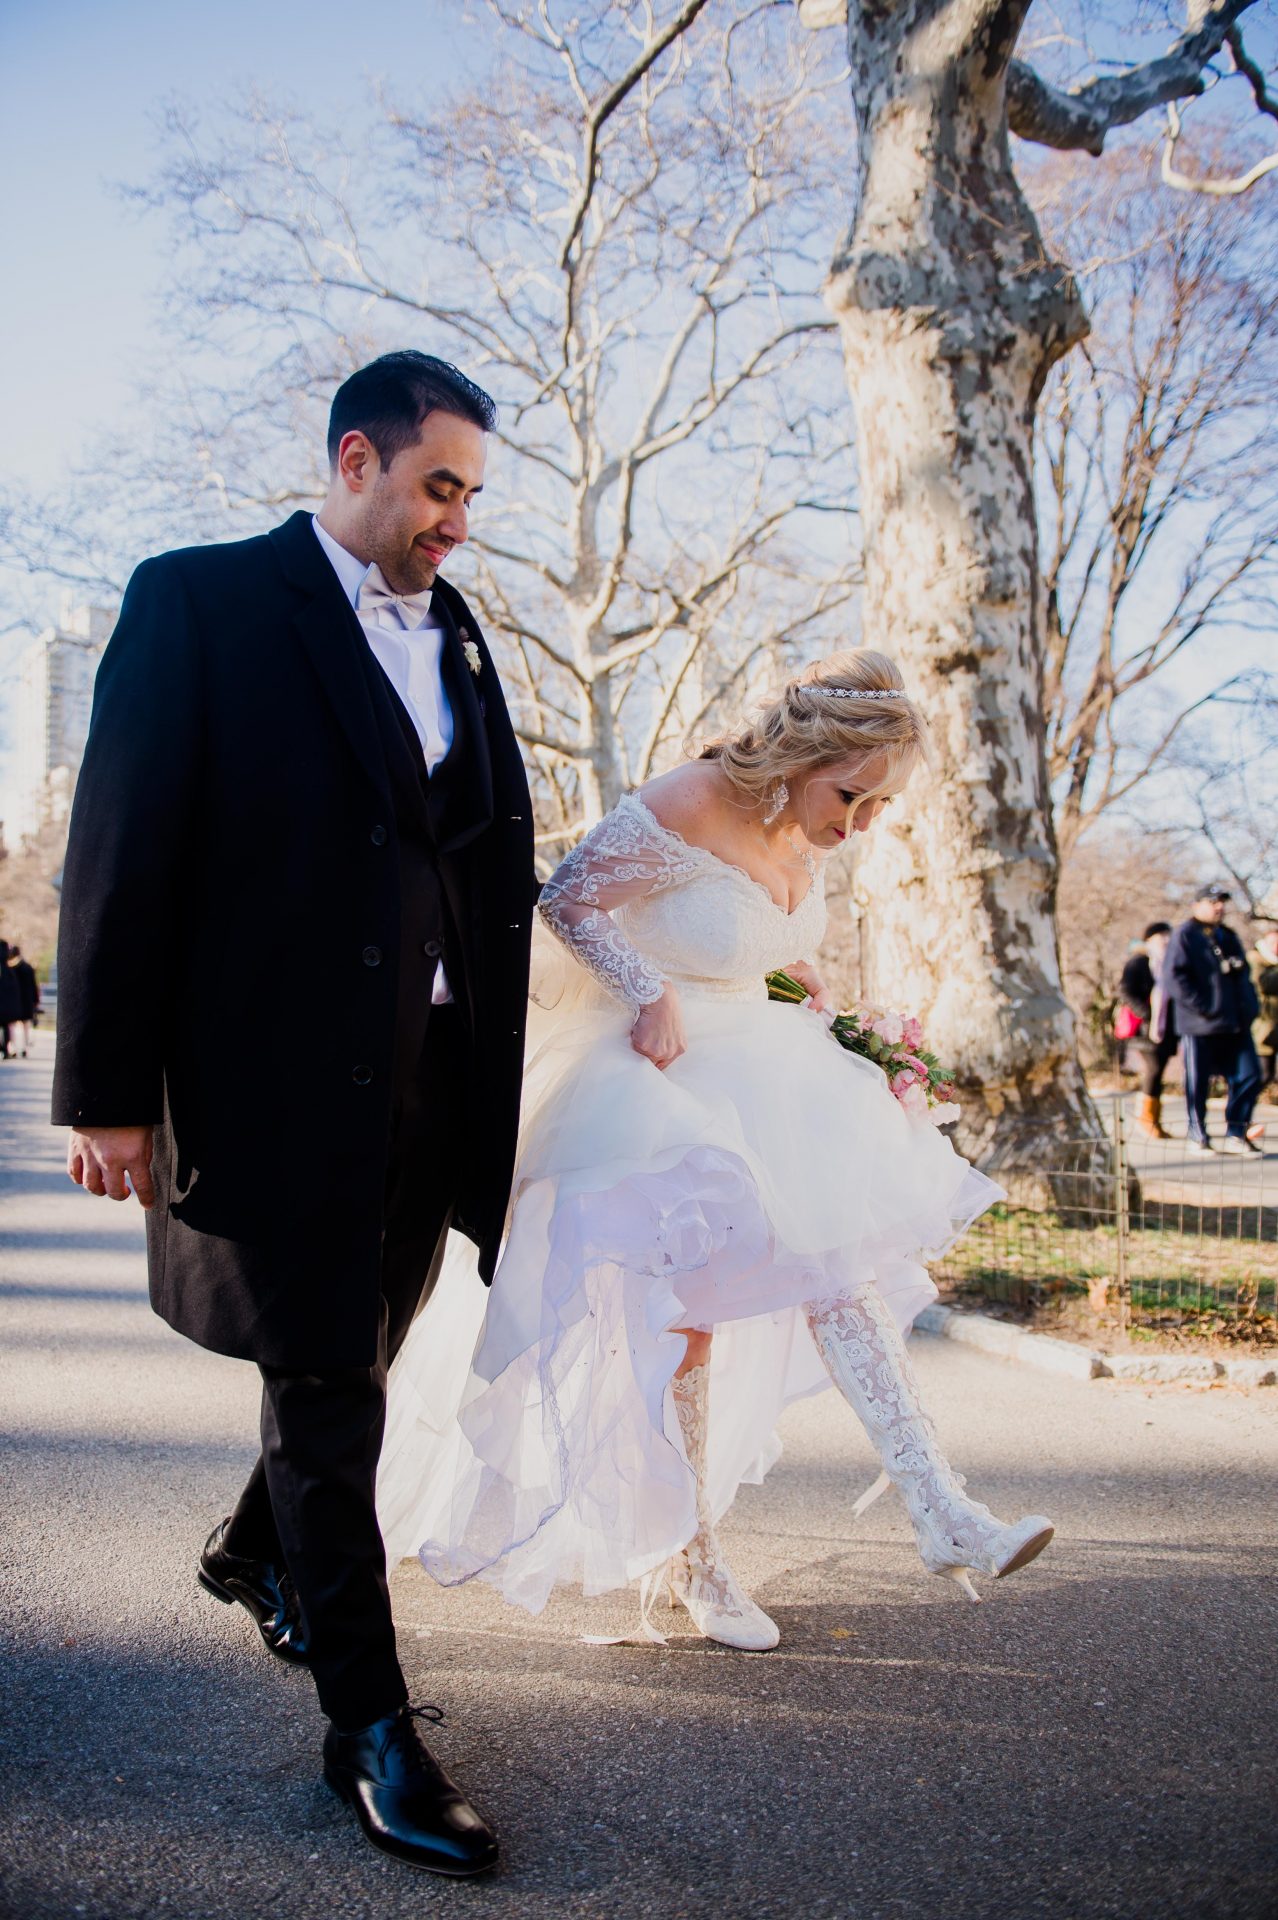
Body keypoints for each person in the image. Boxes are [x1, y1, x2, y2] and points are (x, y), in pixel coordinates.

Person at [53, 352, 536, 1877]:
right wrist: (108, 1090)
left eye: (470, 495)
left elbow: (472, 848)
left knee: (366, 1349)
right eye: (440, 485)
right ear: (356, 460)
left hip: (435, 1077)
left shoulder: (454, 632)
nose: (457, 521)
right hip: (273, 1076)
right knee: (327, 1388)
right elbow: (122, 851)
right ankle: (369, 1729)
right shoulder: (198, 600)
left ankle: (251, 1545)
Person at [378, 651, 1054, 1656]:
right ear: (802, 754)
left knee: (839, 1270)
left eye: (881, 807)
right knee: (681, 1332)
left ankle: (941, 1509)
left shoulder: (809, 828)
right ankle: (688, 1559)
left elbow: (766, 926)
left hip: (768, 1071)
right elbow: (565, 901)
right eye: (852, 797)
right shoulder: (690, 798)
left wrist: (814, 983)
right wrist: (650, 993)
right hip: (657, 1085)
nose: (859, 825)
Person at [1161, 885, 1261, 1156]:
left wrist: (1250, 1007)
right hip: (1200, 1024)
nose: (1219, 907)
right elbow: (1174, 978)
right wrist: (1204, 1007)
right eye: (1212, 901)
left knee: (1251, 1074)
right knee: (1198, 1080)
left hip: (1235, 1023)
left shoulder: (1227, 936)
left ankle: (1237, 1132)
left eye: (1222, 902)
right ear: (1197, 905)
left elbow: (1243, 975)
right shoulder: (1185, 935)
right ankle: (1197, 1134)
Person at [1117, 922, 1175, 1139]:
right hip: (1145, 1030)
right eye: (1161, 936)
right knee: (1153, 1069)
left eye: (1168, 936)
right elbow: (1124, 991)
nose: (1166, 940)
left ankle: (1153, 1120)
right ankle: (1147, 1119)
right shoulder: (1139, 962)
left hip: (1166, 1028)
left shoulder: (1168, 964)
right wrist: (1147, 1013)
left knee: (1158, 1071)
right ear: (1149, 939)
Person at [1249, 927, 1278, 1097]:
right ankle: (1240, 1112)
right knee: (1262, 1074)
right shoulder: (1255, 959)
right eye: (1273, 942)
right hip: (1263, 1029)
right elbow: (1263, 984)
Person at [7, 943, 40, 1057]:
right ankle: (24, 1047)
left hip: (13, 1000)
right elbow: (33, 985)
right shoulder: (27, 967)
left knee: (12, 1024)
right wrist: (36, 1000)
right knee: (25, 1024)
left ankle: (12, 1047)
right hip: (27, 999)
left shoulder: (9, 968)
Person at [0, 940, 19, 1059]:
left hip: (4, 1003)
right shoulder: (9, 970)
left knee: (5, 1026)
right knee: (6, 1027)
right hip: (6, 1004)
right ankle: (5, 1048)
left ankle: (4, 1048)